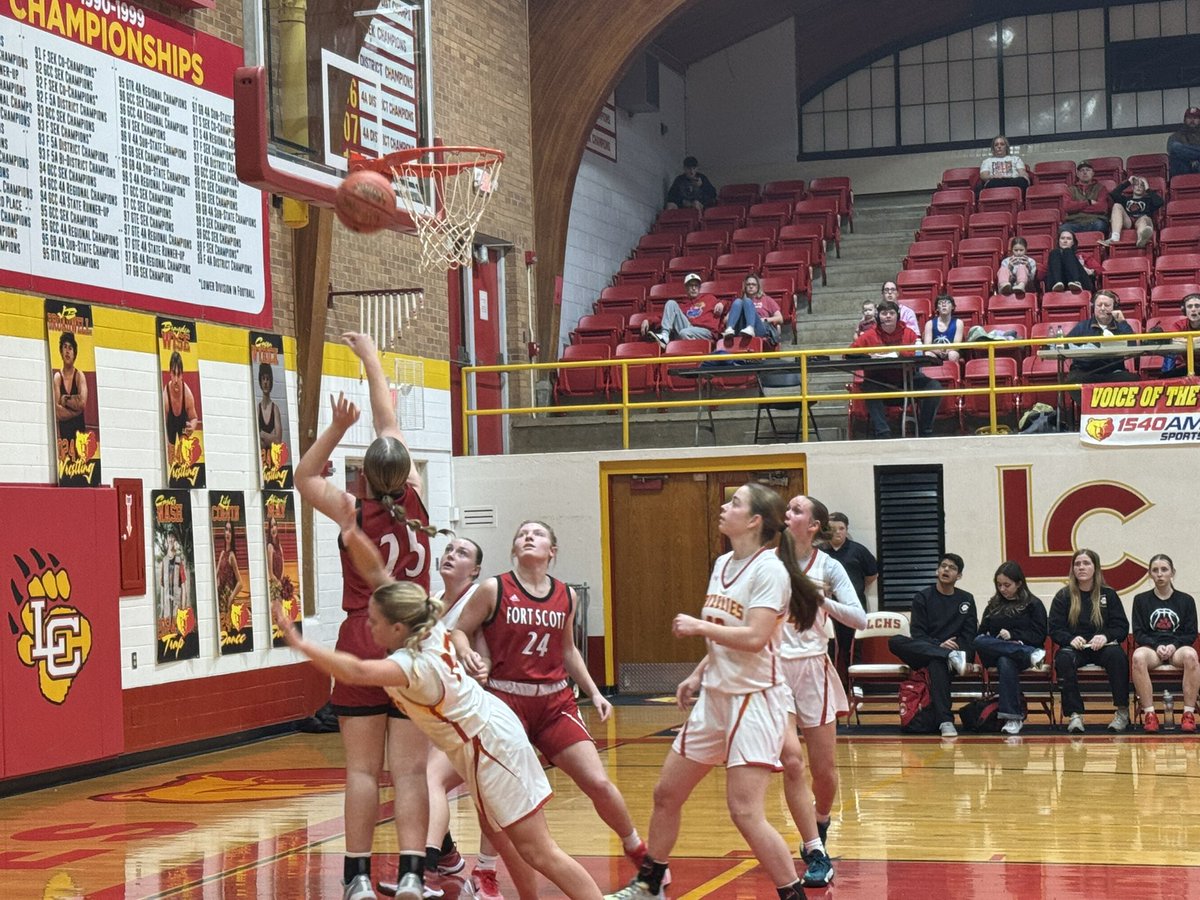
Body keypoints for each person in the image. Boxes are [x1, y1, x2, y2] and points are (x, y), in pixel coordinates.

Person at [271, 530, 603, 900]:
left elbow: (357, 672)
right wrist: (351, 531)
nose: (369, 625)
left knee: (538, 849)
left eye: (375, 622)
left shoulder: (412, 664)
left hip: (490, 746)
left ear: (397, 628)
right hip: (485, 739)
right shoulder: (424, 625)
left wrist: (301, 643)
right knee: (512, 842)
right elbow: (379, 576)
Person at [606, 484, 819, 900]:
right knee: (666, 793)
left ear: (755, 521)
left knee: (745, 812)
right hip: (716, 697)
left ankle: (791, 893)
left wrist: (699, 627)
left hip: (756, 700)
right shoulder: (723, 561)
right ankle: (651, 882)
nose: (724, 507)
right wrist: (698, 672)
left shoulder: (769, 570)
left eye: (735, 503)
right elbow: (727, 630)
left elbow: (756, 637)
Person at [294, 332, 443, 900]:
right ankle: (410, 874)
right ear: (407, 472)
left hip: (362, 634)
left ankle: (356, 879)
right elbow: (388, 420)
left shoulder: (351, 508)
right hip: (414, 642)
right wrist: (372, 359)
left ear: (363, 476)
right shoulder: (420, 495)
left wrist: (334, 428)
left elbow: (304, 478)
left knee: (361, 771)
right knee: (410, 771)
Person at [452, 520, 647, 899]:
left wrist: (595, 691)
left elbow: (568, 650)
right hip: (505, 702)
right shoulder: (493, 588)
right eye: (521, 533)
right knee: (494, 795)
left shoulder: (566, 595)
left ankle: (638, 849)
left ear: (551, 551)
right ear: (514, 549)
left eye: (537, 534)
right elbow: (459, 630)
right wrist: (466, 652)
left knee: (597, 781)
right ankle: (486, 870)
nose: (528, 537)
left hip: (555, 702)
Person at [780, 494, 864, 877]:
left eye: (796, 510)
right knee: (791, 761)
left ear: (813, 525)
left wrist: (823, 602)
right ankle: (814, 850)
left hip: (813, 668)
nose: (787, 513)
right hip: (774, 672)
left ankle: (822, 821)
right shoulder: (767, 560)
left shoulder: (828, 565)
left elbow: (860, 619)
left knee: (824, 772)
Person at [888, 554, 977, 737]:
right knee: (895, 641)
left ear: (958, 576)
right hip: (926, 650)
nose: (946, 570)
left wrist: (965, 657)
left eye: (951, 568)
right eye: (943, 566)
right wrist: (940, 646)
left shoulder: (966, 599)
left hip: (952, 657)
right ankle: (944, 655)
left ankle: (945, 721)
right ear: (937, 570)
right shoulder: (923, 597)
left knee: (936, 664)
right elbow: (918, 634)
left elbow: (969, 636)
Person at [1048, 548, 1130, 734]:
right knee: (1063, 659)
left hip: (1102, 647)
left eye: (1086, 563)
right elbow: (1054, 629)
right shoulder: (1063, 596)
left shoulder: (1108, 595)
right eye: (1077, 564)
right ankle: (1075, 715)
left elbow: (1121, 627)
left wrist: (1106, 636)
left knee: (1118, 657)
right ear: (1072, 569)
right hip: (1076, 648)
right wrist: (1070, 639)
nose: (1081, 567)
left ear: (1095, 568)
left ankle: (1122, 712)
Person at [849, 299, 943, 438]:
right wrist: (869, 356)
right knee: (868, 388)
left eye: (891, 313)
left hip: (907, 379)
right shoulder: (869, 335)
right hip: (879, 381)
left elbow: (917, 352)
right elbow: (850, 353)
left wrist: (899, 353)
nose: (887, 316)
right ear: (878, 316)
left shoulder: (909, 333)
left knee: (934, 387)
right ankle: (883, 433)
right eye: (884, 313)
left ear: (897, 316)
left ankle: (925, 431)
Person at [973, 562, 1048, 735]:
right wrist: (1000, 641)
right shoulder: (993, 605)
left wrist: (1014, 637)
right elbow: (981, 633)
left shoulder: (1033, 604)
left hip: (1019, 653)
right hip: (999, 651)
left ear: (1019, 583)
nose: (1002, 589)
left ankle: (1012, 717)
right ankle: (1029, 654)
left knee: (1006, 661)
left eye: (1007, 585)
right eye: (999, 585)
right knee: (979, 640)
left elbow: (1039, 635)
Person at [1131, 554, 1198, 734]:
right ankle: (1150, 714)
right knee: (1137, 657)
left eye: (1164, 569)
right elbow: (1138, 632)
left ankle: (1189, 714)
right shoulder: (1140, 600)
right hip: (1152, 649)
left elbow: (1191, 633)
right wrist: (1155, 645)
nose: (1160, 574)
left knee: (1191, 655)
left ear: (1172, 573)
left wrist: (1174, 646)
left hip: (1177, 649)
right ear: (1150, 574)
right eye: (1155, 570)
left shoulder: (1186, 600)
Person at [824, 512, 878, 684]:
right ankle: (831, 686)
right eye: (833, 529)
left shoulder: (858, 550)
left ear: (846, 530)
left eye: (841, 528)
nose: (837, 532)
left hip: (853, 607)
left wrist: (854, 589)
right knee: (830, 646)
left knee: (854, 647)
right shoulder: (820, 552)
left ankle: (856, 686)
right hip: (828, 607)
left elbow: (872, 574)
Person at [1065, 290, 1136, 383]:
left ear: (1114, 308)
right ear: (1093, 307)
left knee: (1131, 379)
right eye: (1099, 305)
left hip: (1113, 373)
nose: (1102, 308)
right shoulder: (1082, 326)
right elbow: (1065, 345)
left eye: (1107, 305)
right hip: (1087, 373)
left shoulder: (1121, 327)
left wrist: (1122, 322)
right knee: (1073, 379)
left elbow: (1132, 346)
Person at [641, 273, 724, 346]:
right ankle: (665, 336)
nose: (694, 288)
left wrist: (721, 304)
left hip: (705, 331)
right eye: (691, 286)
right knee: (671, 303)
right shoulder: (683, 305)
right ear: (686, 288)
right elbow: (664, 317)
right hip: (688, 328)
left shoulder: (709, 297)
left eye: (696, 285)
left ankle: (695, 345)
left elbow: (729, 304)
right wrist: (648, 321)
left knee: (684, 333)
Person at [1103, 175, 1163, 249]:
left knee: (1144, 219)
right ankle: (1115, 237)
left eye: (1142, 185)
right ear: (1132, 187)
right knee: (1116, 205)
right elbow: (1113, 194)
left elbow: (1160, 202)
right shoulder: (1125, 199)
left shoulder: (1149, 200)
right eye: (1136, 185)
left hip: (1142, 220)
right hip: (1128, 221)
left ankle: (1141, 239)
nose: (1139, 187)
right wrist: (1128, 182)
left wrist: (1148, 189)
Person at [162, 350, 199, 467]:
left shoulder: (188, 395)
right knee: (171, 460)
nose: (176, 380)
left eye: (179, 375)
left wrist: (192, 427)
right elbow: (163, 427)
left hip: (183, 425)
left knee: (185, 459)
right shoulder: (165, 397)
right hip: (171, 425)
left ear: (182, 375)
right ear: (170, 373)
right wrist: (169, 446)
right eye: (174, 374)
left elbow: (194, 418)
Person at [723, 273, 783, 344]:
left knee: (747, 301)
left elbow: (780, 318)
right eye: (748, 284)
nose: (751, 286)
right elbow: (726, 320)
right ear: (745, 287)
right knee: (738, 301)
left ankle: (750, 328)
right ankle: (730, 329)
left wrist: (765, 319)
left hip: (759, 327)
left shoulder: (767, 299)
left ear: (758, 287)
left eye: (753, 284)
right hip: (741, 329)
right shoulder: (739, 302)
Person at [52, 331, 87, 451]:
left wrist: (64, 400)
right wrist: (76, 412)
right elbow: (57, 412)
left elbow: (82, 403)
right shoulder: (57, 377)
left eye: (70, 348)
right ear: (61, 352)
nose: (67, 351)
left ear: (75, 353)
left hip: (80, 440)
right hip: (65, 442)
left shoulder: (79, 376)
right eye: (65, 347)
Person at [1060, 161, 1110, 234]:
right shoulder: (1070, 190)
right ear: (1077, 174)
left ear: (1093, 173)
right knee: (1063, 229)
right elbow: (1068, 207)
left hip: (1094, 221)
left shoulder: (1101, 188)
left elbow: (1102, 208)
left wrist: (1077, 208)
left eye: (1087, 170)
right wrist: (1088, 202)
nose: (1085, 172)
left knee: (1100, 226)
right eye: (1082, 170)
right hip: (1074, 222)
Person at [1159, 292, 1200, 377]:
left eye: (1197, 306)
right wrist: (1196, 340)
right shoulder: (1179, 325)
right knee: (1166, 375)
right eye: (1189, 306)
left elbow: (1180, 340)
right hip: (1187, 365)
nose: (1193, 309)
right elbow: (1174, 341)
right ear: (1184, 310)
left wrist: (1185, 340)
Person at [1044, 229, 1095, 293]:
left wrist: (1090, 271)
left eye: (1068, 239)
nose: (1065, 241)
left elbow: (1099, 270)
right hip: (1059, 283)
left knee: (1067, 251)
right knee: (1054, 252)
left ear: (1073, 242)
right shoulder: (1053, 257)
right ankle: (1057, 283)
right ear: (1059, 241)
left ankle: (1076, 282)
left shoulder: (1083, 255)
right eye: (1062, 238)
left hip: (1082, 283)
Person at [215, 522, 244, 622]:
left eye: (230, 531)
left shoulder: (231, 556)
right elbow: (216, 574)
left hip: (227, 600)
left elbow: (240, 583)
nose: (227, 533)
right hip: (219, 597)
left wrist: (231, 597)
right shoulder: (222, 553)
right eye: (226, 530)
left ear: (232, 535)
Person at [923, 294, 965, 362]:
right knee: (927, 354)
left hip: (951, 351)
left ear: (953, 307)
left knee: (953, 354)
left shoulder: (958, 323)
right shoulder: (929, 324)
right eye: (940, 303)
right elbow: (927, 345)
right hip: (935, 352)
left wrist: (946, 351)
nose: (944, 305)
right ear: (937, 308)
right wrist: (938, 352)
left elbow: (956, 345)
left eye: (947, 302)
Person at [1167, 106, 1200, 178]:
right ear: (1184, 120)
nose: (1192, 120)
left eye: (1195, 118)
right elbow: (1171, 152)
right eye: (1189, 118)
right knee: (1175, 147)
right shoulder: (1174, 137)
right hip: (1183, 169)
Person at [257, 362, 283, 452]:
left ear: (271, 382)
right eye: (263, 379)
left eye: (267, 379)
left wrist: (262, 434)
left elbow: (278, 442)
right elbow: (258, 443)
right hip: (261, 460)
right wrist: (271, 437)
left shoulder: (275, 409)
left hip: (274, 461)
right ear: (260, 382)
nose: (265, 382)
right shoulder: (257, 409)